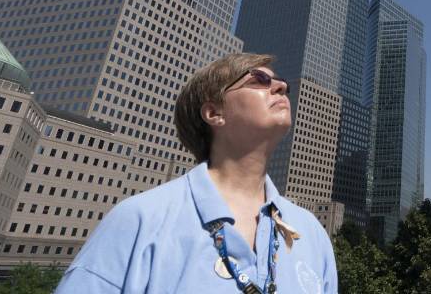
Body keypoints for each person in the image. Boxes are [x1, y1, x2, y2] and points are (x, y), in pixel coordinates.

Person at [56, 53, 338, 293]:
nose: (280, 87)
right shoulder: (140, 219)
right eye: (259, 80)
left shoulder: (310, 232)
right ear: (214, 113)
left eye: (281, 83)